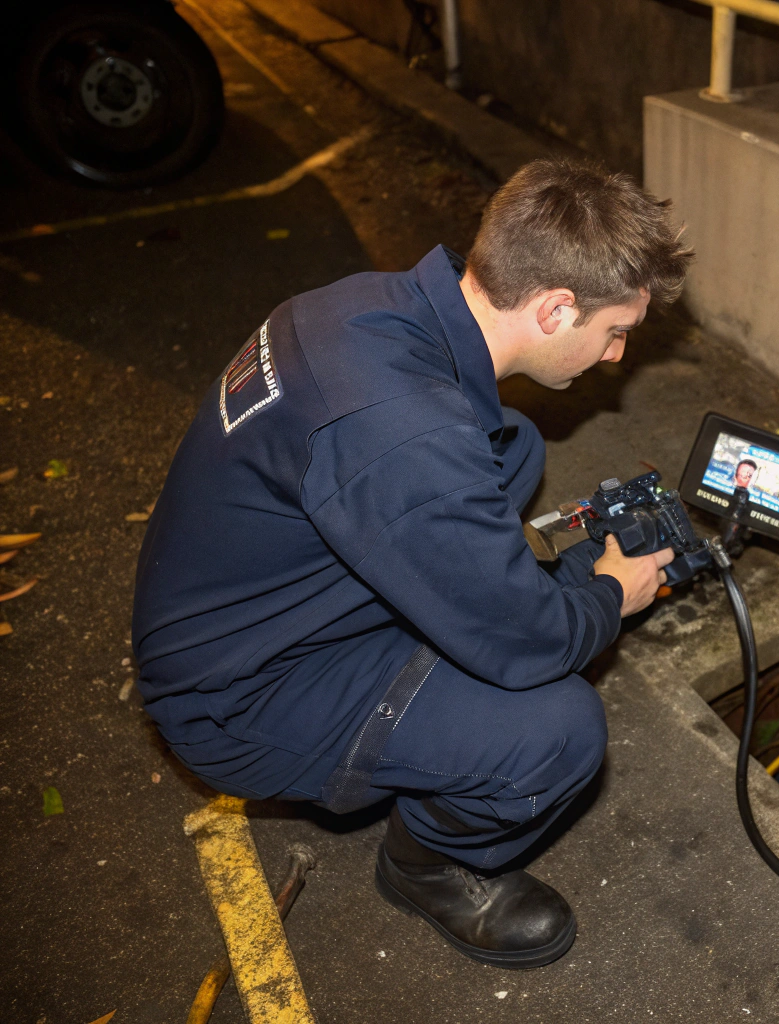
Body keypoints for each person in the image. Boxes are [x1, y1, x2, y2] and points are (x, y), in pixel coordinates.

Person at [131, 160, 694, 969]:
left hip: (225, 605)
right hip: (237, 698)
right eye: (616, 332)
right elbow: (530, 642)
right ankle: (424, 867)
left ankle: (448, 601)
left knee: (512, 445)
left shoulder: (365, 306)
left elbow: (428, 465)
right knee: (557, 728)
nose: (614, 357)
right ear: (554, 307)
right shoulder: (401, 437)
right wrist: (608, 591)